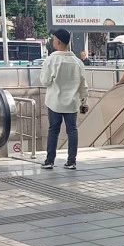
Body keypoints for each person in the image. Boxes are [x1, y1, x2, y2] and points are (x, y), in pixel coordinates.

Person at [40, 28, 88, 170]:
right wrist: (84, 101)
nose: (53, 41)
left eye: (54, 39)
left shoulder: (51, 60)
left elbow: (45, 81)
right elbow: (83, 84)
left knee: (53, 130)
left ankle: (50, 161)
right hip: (72, 103)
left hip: (54, 101)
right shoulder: (78, 62)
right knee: (72, 130)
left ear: (58, 41)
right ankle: (71, 161)